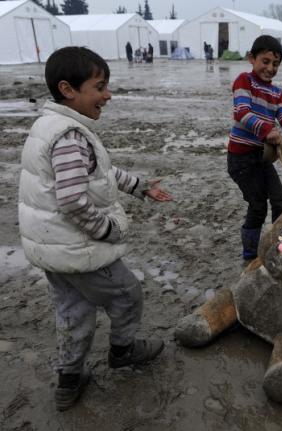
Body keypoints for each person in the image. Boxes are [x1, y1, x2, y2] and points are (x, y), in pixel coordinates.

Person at [18, 46, 173, 411]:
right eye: (100, 87)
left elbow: (98, 174)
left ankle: (69, 378)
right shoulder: (70, 137)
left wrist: (139, 186)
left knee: (73, 311)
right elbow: (73, 201)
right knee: (127, 293)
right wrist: (107, 230)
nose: (108, 95)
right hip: (78, 248)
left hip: (51, 250)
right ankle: (123, 350)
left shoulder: (49, 126)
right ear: (68, 90)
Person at [227, 35, 282, 260]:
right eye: (265, 61)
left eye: (276, 64)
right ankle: (250, 254)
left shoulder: (276, 93)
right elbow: (241, 112)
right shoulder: (244, 81)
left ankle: (277, 245)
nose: (270, 68)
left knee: (280, 199)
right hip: (241, 160)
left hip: (262, 159)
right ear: (252, 58)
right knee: (258, 205)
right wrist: (266, 129)